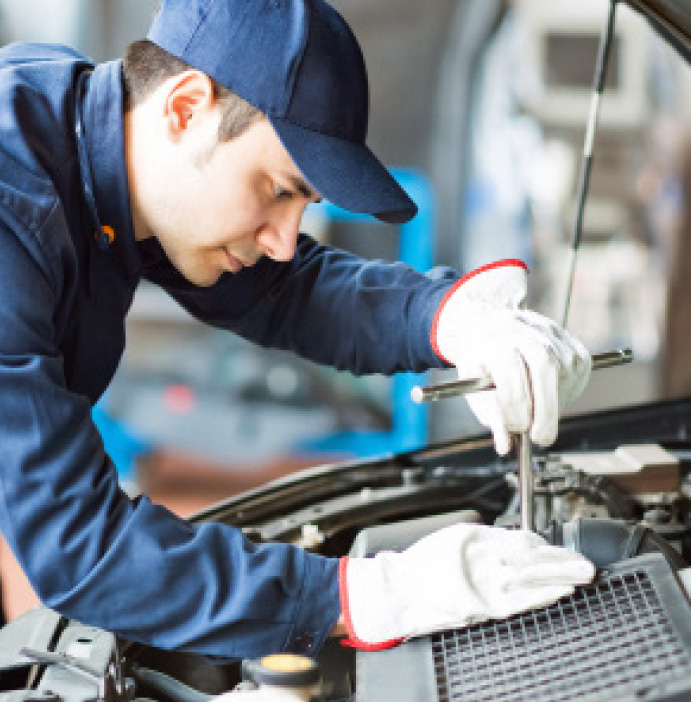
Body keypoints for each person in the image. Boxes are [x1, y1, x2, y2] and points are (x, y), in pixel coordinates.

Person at [0, 0, 594, 659]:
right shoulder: (11, 206)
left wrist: (446, 318)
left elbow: (285, 287)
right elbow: (82, 550)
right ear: (183, 109)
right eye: (277, 188)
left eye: (303, 205)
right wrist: (361, 596)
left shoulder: (84, 126)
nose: (285, 241)